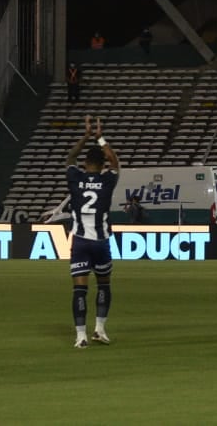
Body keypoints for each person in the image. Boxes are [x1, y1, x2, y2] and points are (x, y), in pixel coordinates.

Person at [65, 116, 120, 348]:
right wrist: (100, 137)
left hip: (79, 242)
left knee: (80, 289)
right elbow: (115, 162)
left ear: (85, 163)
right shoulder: (108, 180)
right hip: (100, 242)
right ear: (101, 164)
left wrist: (86, 136)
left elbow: (70, 157)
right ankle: (100, 329)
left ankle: (81, 337)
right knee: (104, 285)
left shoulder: (75, 178)